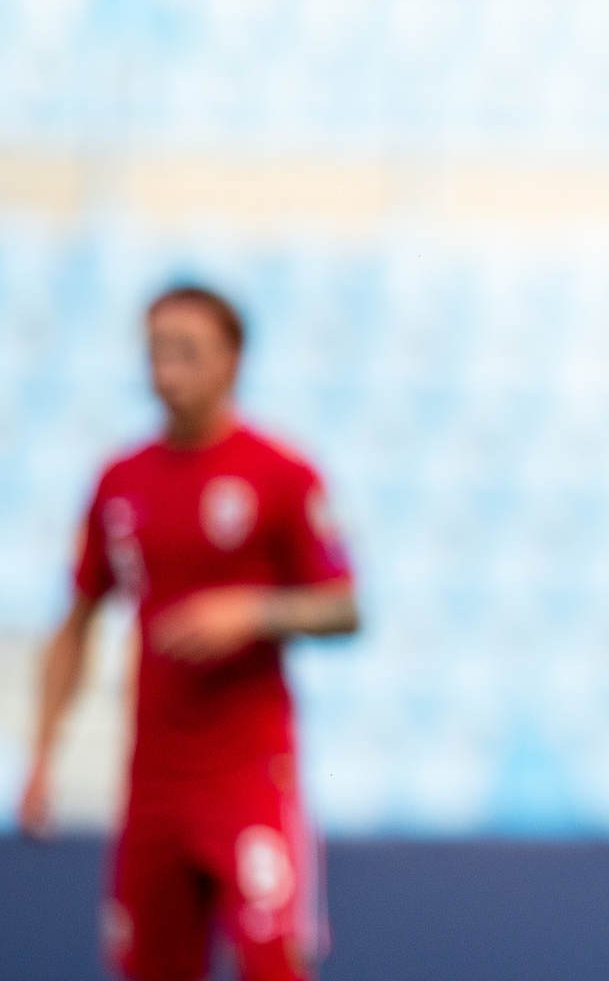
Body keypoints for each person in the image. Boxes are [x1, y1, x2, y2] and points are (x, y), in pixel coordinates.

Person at [17, 284, 361, 981]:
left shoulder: (280, 473)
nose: (167, 369)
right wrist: (43, 753)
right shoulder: (121, 482)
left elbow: (343, 608)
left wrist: (254, 612)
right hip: (154, 783)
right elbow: (76, 623)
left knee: (272, 962)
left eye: (187, 352)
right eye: (156, 351)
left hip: (250, 776)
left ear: (232, 360)